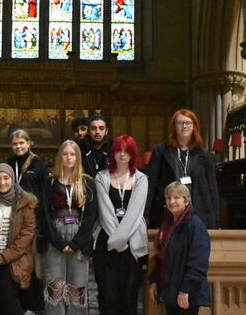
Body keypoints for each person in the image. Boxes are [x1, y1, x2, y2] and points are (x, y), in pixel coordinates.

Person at [93, 134, 148, 315]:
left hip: (132, 245)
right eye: (119, 150)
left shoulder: (141, 179)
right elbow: (105, 212)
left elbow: (134, 213)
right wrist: (117, 241)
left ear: (133, 154)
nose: (122, 155)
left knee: (129, 296)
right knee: (108, 296)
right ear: (113, 153)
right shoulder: (101, 177)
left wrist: (121, 240)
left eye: (127, 151)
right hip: (105, 243)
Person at [41, 140, 97, 315]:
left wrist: (76, 243)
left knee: (76, 286)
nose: (69, 157)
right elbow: (44, 214)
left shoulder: (87, 182)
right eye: (65, 154)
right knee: (55, 285)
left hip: (78, 233)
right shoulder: (50, 182)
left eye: (72, 154)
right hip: (55, 233)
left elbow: (91, 216)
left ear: (78, 157)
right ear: (60, 157)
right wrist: (58, 242)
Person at [145, 109, 220, 229]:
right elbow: (151, 183)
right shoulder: (160, 151)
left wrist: (216, 220)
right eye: (180, 123)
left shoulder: (204, 155)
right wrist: (146, 212)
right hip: (168, 213)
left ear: (194, 126)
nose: (184, 126)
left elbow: (212, 188)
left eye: (188, 123)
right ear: (174, 126)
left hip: (199, 212)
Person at [0, 163, 37, 315]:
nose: (2, 182)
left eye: (6, 178)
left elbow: (27, 234)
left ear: (12, 179)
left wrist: (5, 256)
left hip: (14, 259)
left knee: (8, 298)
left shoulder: (25, 202)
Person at [149, 182, 211, 315]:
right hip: (170, 290)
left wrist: (185, 290)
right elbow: (161, 257)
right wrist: (154, 281)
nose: (172, 201)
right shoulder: (166, 224)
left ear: (186, 201)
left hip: (186, 294)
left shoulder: (195, 225)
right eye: (169, 197)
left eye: (177, 198)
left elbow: (198, 262)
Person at [6, 129, 49, 313]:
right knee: (15, 262)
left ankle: (35, 306)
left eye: (21, 143)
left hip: (33, 221)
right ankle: (18, 305)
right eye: (15, 144)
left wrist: (43, 223)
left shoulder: (38, 164)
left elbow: (45, 195)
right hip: (12, 221)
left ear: (29, 143)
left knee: (30, 264)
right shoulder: (8, 164)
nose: (18, 146)